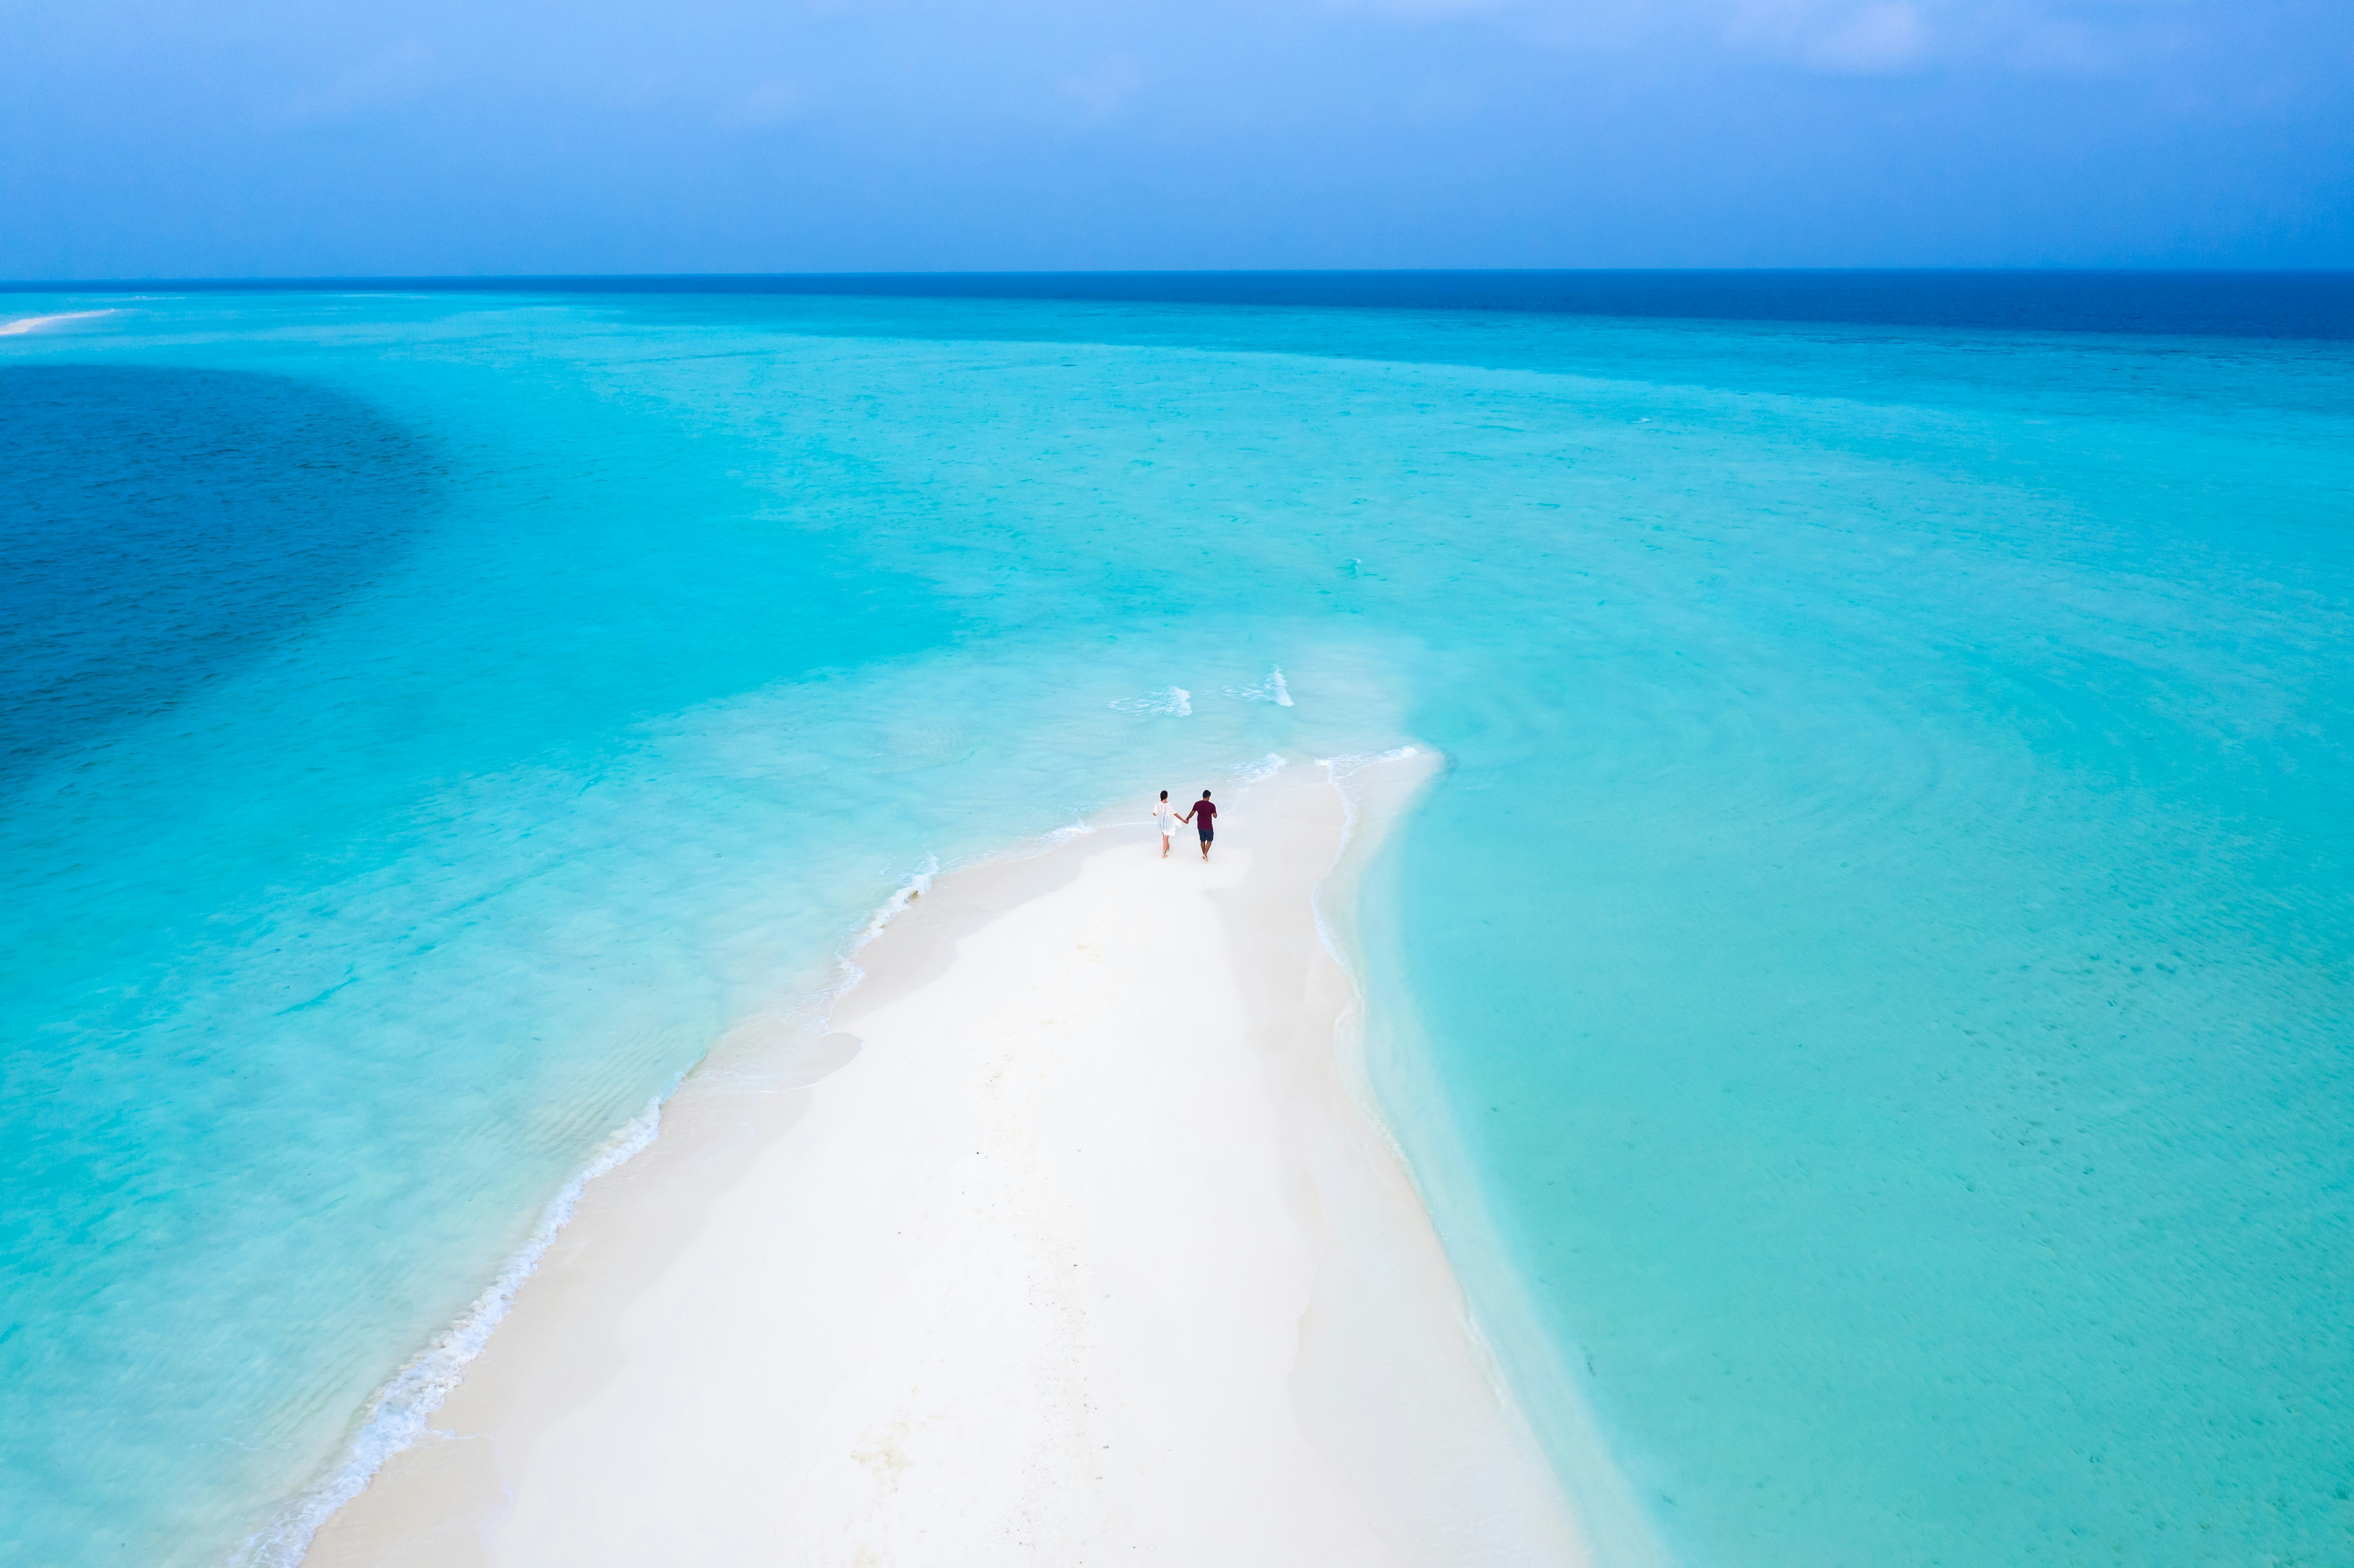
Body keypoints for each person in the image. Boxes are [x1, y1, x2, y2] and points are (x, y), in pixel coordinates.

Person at [1179, 790, 1217, 861]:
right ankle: (1205, 854)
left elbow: (1192, 813)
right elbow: (1215, 816)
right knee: (1210, 840)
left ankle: (1204, 855)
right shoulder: (1212, 805)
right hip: (1208, 826)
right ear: (1209, 797)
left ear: (1203, 796)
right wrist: (1214, 812)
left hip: (1200, 826)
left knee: (1202, 841)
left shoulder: (1197, 804)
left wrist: (1187, 819)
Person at [1152, 790, 1177, 859]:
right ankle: (1164, 854)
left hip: (1161, 824)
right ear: (1167, 797)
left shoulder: (1157, 804)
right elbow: (1175, 813)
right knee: (1166, 838)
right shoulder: (1169, 805)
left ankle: (1168, 846)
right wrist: (1183, 820)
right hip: (1167, 824)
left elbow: (1154, 814)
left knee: (1165, 837)